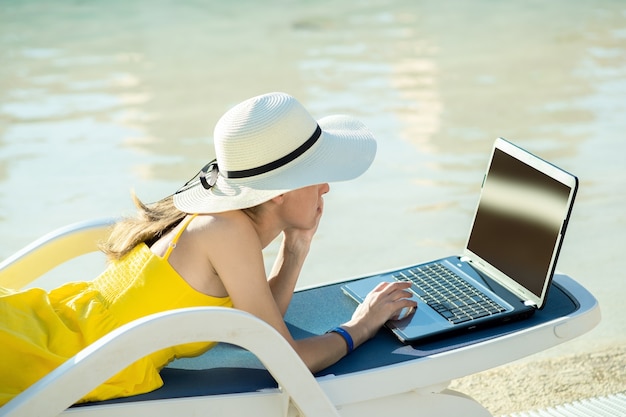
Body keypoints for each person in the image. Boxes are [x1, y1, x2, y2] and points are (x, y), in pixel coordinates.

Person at [0, 92, 417, 406]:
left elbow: (256, 327)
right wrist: (361, 325)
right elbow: (289, 360)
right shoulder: (225, 230)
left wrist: (296, 249)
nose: (326, 187)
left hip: (51, 331)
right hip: (49, 359)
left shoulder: (224, 227)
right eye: (317, 175)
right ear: (278, 192)